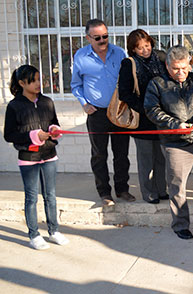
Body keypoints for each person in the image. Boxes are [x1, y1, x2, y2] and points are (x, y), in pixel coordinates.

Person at [144, 45, 193, 240]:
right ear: (167, 65)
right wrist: (175, 124)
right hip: (174, 141)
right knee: (177, 185)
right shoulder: (157, 83)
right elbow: (151, 109)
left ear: (190, 63)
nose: (180, 73)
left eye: (184, 68)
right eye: (175, 68)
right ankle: (180, 224)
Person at [4, 65, 69, 250]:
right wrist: (33, 136)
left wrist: (54, 130)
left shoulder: (47, 102)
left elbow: (53, 123)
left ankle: (54, 231)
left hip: (49, 154)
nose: (38, 84)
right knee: (31, 197)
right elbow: (9, 135)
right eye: (33, 81)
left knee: (50, 195)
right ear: (22, 83)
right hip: (28, 158)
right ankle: (34, 234)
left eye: (39, 79)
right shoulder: (14, 106)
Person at [70, 19, 135, 206]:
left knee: (121, 153)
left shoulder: (119, 53)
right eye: (97, 37)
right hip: (96, 113)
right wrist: (84, 104)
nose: (102, 40)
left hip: (118, 111)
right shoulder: (81, 56)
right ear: (88, 37)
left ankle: (122, 190)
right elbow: (76, 85)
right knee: (99, 155)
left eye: (105, 36)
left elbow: (127, 80)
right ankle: (104, 193)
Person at [118, 29, 170, 204]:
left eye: (147, 46)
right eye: (140, 48)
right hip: (143, 119)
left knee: (162, 157)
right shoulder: (129, 64)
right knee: (146, 159)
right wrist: (145, 109)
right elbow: (125, 94)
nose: (145, 50)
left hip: (162, 117)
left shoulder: (161, 58)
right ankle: (149, 193)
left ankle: (162, 190)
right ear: (133, 49)